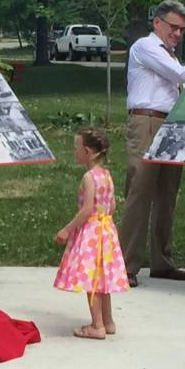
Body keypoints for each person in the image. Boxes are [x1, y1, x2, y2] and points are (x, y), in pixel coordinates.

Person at [119, 0, 185, 287]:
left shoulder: (169, 54)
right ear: (156, 22)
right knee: (140, 191)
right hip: (146, 122)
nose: (178, 34)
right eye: (173, 27)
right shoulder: (145, 47)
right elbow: (178, 76)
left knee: (166, 194)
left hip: (171, 124)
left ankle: (162, 261)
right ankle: (125, 265)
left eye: (182, 29)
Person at [54, 127, 130, 339]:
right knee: (103, 278)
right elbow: (113, 205)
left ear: (87, 151)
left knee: (91, 281)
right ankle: (108, 321)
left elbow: (86, 209)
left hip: (91, 234)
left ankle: (97, 326)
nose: (74, 151)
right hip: (107, 231)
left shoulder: (89, 177)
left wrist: (67, 229)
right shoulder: (106, 175)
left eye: (76, 148)